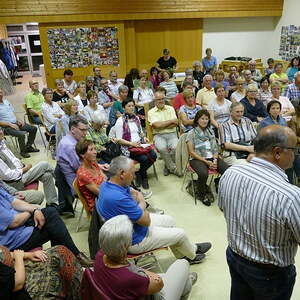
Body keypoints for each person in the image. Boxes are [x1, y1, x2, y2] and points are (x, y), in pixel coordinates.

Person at [218, 125, 300, 300]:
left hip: (235, 256)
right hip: (271, 275)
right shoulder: (289, 196)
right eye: (294, 149)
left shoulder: (231, 172)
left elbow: (223, 208)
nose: (296, 154)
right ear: (277, 152)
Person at [97, 156, 212, 264]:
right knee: (181, 234)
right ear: (122, 173)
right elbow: (146, 219)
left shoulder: (108, 184)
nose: (135, 176)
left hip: (131, 226)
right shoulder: (118, 198)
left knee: (170, 220)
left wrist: (138, 203)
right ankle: (192, 255)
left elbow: (133, 192)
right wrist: (142, 202)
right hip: (134, 240)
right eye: (132, 173)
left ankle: (184, 254)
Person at [93, 214, 198, 300]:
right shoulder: (129, 277)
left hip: (121, 291)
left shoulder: (100, 256)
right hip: (156, 295)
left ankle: (185, 283)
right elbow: (159, 284)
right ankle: (185, 283)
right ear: (125, 247)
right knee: (183, 263)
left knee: (182, 283)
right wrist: (151, 276)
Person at [0, 186, 92, 267]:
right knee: (52, 219)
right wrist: (32, 210)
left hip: (21, 224)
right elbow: (14, 222)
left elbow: (13, 201)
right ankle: (73, 257)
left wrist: (35, 209)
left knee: (50, 216)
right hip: (13, 241)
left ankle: (65, 259)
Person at [0, 127, 58, 207]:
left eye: (0, 130)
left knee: (47, 176)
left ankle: (51, 203)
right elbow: (8, 175)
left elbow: (15, 160)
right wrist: (25, 168)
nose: (0, 132)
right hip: (15, 182)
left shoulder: (3, 143)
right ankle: (61, 182)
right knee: (44, 164)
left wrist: (23, 165)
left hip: (21, 173)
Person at [0, 245, 83, 300]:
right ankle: (84, 292)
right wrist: (19, 258)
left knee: (58, 252)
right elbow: (17, 284)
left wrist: (28, 255)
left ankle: (83, 290)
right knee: (59, 258)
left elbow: (2, 254)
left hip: (15, 267)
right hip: (19, 288)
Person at [187, 110, 228, 206]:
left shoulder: (210, 131)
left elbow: (215, 148)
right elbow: (191, 152)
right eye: (202, 118)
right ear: (197, 120)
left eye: (206, 119)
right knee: (203, 174)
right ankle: (202, 194)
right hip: (197, 158)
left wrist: (214, 160)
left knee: (227, 170)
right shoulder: (191, 133)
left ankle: (220, 187)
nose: (204, 121)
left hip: (211, 157)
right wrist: (206, 162)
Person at [115, 98, 156, 192]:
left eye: (133, 106)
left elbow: (140, 132)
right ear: (124, 108)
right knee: (144, 159)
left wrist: (144, 138)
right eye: (129, 106)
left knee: (154, 155)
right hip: (128, 148)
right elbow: (118, 140)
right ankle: (144, 178)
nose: (131, 108)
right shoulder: (120, 121)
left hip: (140, 145)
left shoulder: (136, 118)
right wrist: (131, 143)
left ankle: (140, 173)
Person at [55, 115, 90, 214]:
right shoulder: (70, 146)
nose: (85, 133)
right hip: (79, 185)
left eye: (86, 130)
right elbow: (82, 168)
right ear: (73, 129)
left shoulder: (70, 140)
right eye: (82, 130)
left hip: (79, 178)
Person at [0, 88, 38, 158]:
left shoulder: (6, 102)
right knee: (22, 134)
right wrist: (10, 124)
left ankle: (28, 147)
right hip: (6, 127)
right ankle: (23, 151)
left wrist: (19, 120)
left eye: (1, 92)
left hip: (16, 123)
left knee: (33, 129)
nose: (0, 94)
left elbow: (13, 112)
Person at [148, 90, 179, 176]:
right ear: (155, 101)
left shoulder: (170, 108)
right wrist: (170, 122)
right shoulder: (151, 112)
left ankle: (167, 165)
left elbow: (176, 123)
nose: (161, 101)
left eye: (162, 99)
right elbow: (157, 125)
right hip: (158, 135)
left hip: (172, 133)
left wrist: (161, 125)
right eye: (158, 99)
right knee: (162, 148)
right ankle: (173, 168)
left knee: (176, 147)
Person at [76, 139, 106, 213]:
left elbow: (105, 178)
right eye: (91, 150)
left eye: (95, 149)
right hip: (98, 206)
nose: (95, 152)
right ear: (82, 155)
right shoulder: (83, 174)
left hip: (106, 197)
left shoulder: (94, 163)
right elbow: (101, 193)